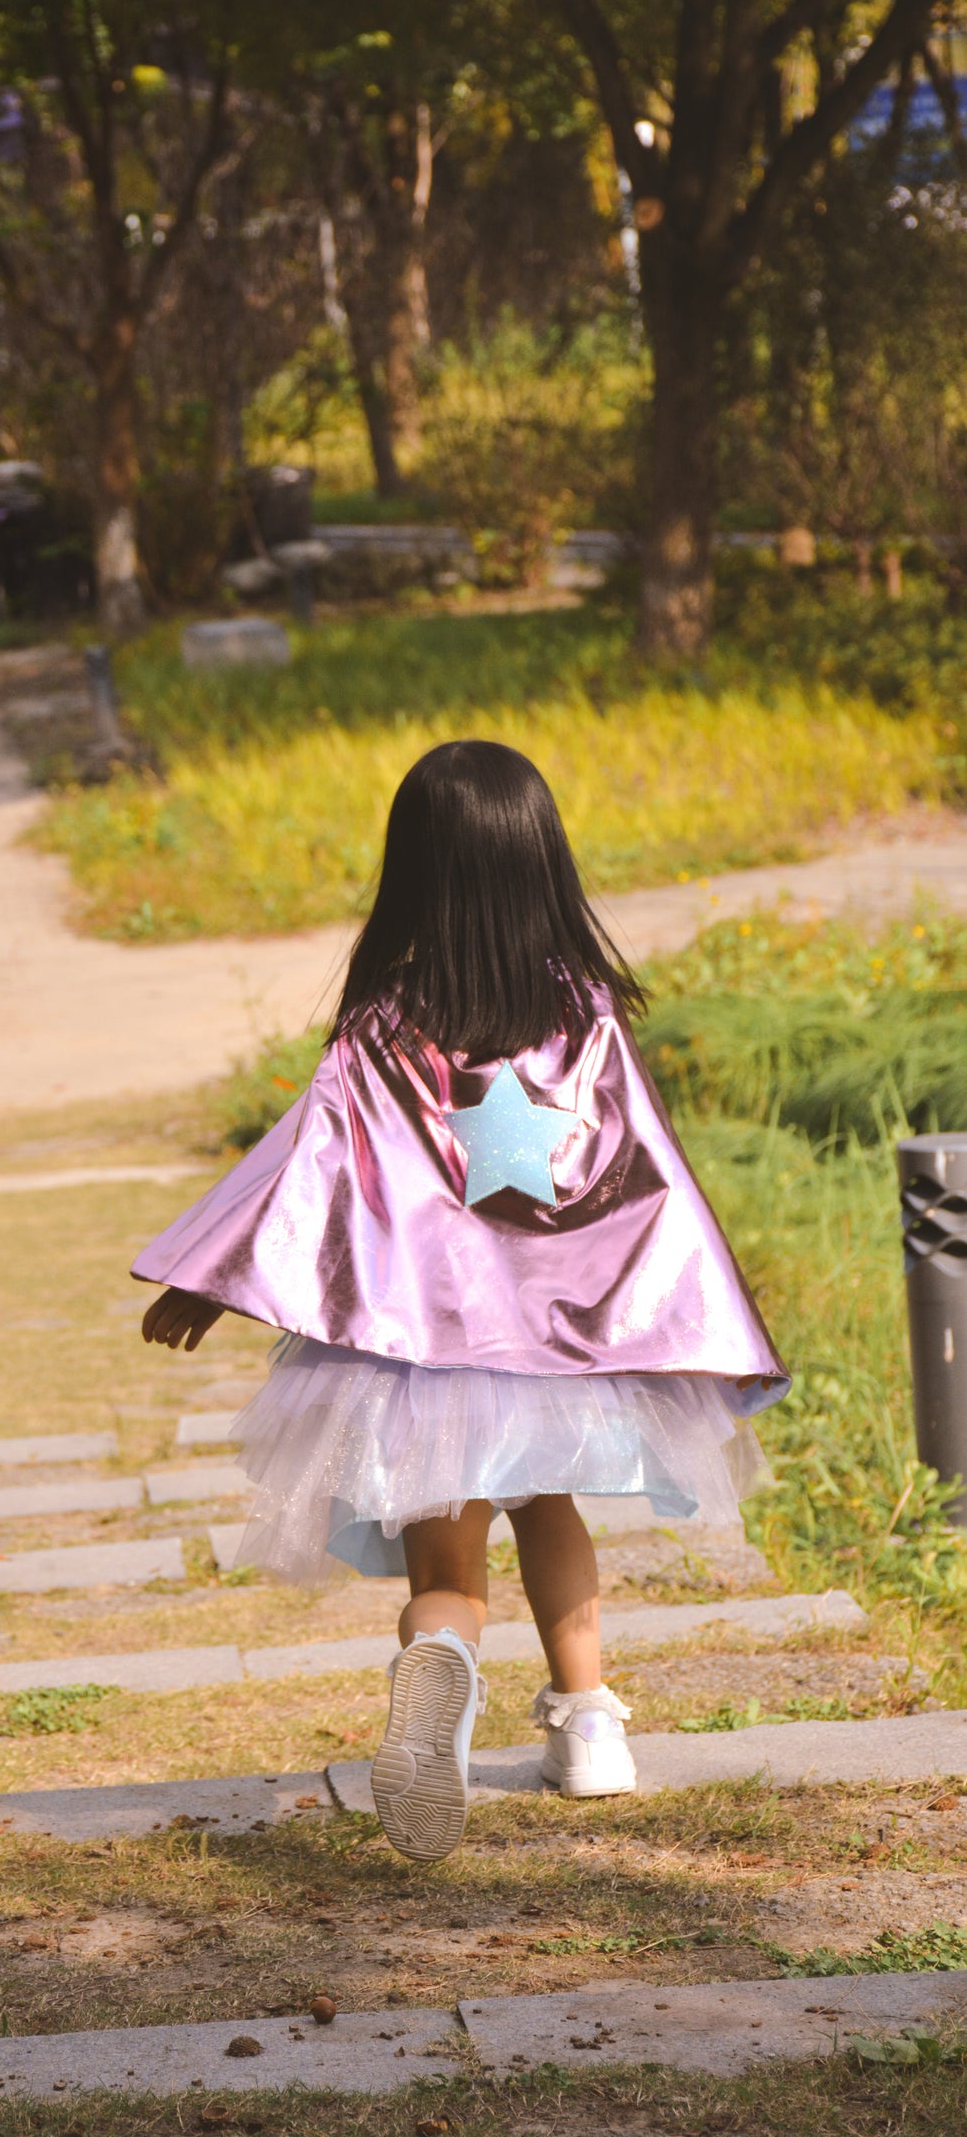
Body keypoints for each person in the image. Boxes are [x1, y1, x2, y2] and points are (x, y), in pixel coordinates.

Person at [135, 740, 787, 1864]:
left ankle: (439, 1664)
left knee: (445, 1566)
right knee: (552, 1514)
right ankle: (588, 1725)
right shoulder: (586, 1019)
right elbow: (652, 1178)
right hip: (567, 1346)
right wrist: (699, 1313)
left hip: (424, 1355)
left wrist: (210, 1271)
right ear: (542, 864)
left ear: (412, 872)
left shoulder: (385, 1027)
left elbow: (307, 1167)